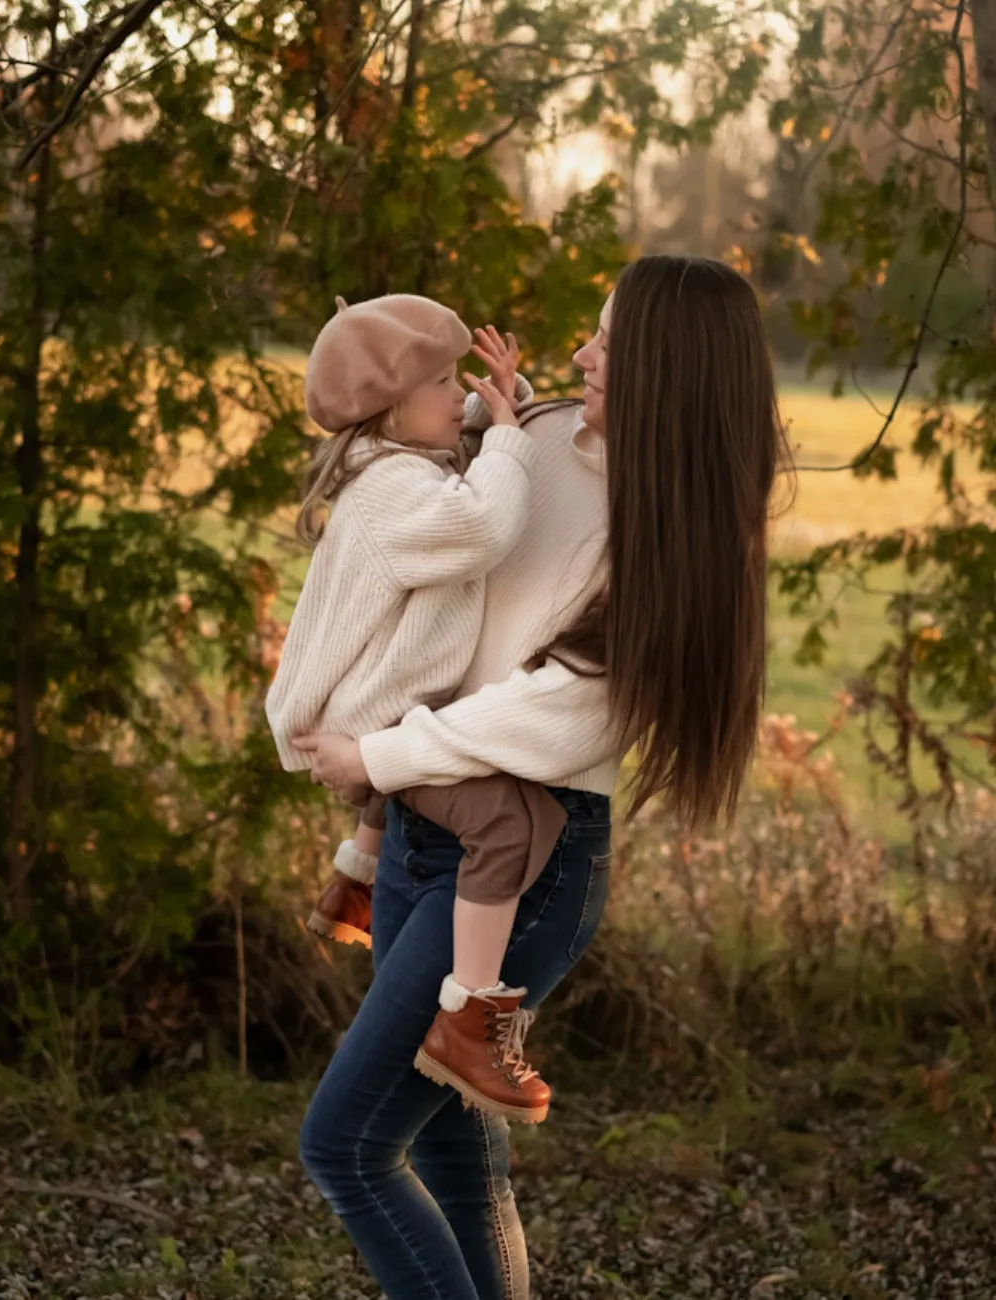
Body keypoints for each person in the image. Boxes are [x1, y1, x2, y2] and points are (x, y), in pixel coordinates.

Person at [293, 256, 792, 1299]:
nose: (580, 353)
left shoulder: (681, 538)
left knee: (346, 1145)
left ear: (672, 371)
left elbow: (563, 714)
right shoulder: (534, 438)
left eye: (609, 341)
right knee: (451, 1159)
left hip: (527, 854)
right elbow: (414, 504)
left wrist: (381, 752)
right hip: (427, 824)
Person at [267, 292, 572, 1125]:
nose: (458, 395)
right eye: (442, 382)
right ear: (390, 408)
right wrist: (508, 436)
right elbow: (483, 527)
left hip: (389, 713)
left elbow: (458, 429)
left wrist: (499, 401)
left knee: (510, 810)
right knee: (513, 825)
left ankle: (357, 881)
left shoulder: (397, 460)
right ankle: (467, 1019)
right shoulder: (394, 492)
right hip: (377, 729)